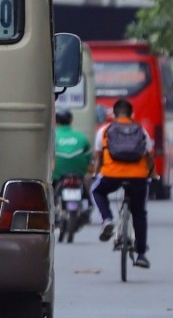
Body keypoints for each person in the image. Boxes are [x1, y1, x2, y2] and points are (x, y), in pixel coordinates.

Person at [91, 98, 155, 269]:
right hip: (138, 177)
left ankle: (107, 219)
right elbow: (149, 157)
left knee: (96, 191)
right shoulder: (141, 130)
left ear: (114, 113)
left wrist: (96, 174)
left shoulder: (105, 130)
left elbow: (98, 157)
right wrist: (151, 174)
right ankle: (141, 254)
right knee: (139, 213)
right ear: (131, 113)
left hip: (112, 175)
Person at [53, 107, 92, 181]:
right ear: (71, 120)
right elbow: (89, 157)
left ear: (56, 121)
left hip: (57, 176)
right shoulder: (81, 136)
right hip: (79, 174)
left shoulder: (52, 136)